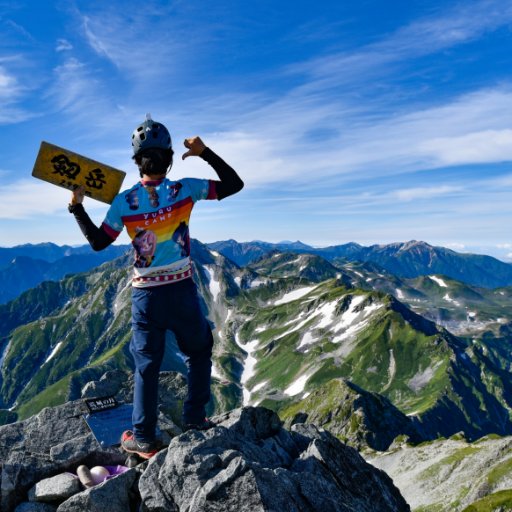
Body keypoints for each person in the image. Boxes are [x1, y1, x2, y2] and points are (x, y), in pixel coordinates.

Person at [68, 114, 244, 458]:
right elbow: (233, 184)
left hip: (145, 297)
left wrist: (76, 208)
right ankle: (194, 418)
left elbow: (98, 242)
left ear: (136, 163)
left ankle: (144, 439)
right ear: (169, 157)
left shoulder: (123, 202)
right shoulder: (186, 189)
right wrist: (204, 152)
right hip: (181, 291)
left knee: (146, 365)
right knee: (198, 351)